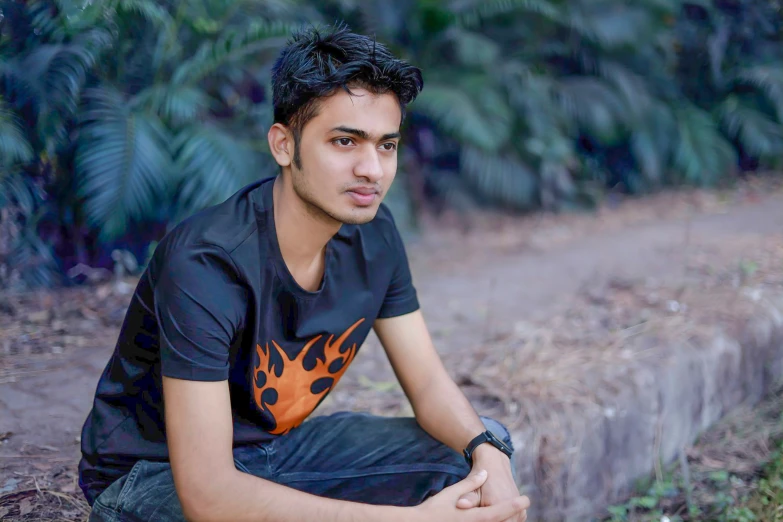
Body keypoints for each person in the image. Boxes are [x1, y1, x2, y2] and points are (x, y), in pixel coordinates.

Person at [78, 23, 531, 522]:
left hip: (277, 452)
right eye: (345, 141)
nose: (372, 169)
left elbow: (427, 384)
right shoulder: (206, 263)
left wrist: (487, 448)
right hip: (151, 480)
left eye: (386, 145)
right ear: (283, 145)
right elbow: (206, 496)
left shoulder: (375, 235)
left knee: (475, 455)